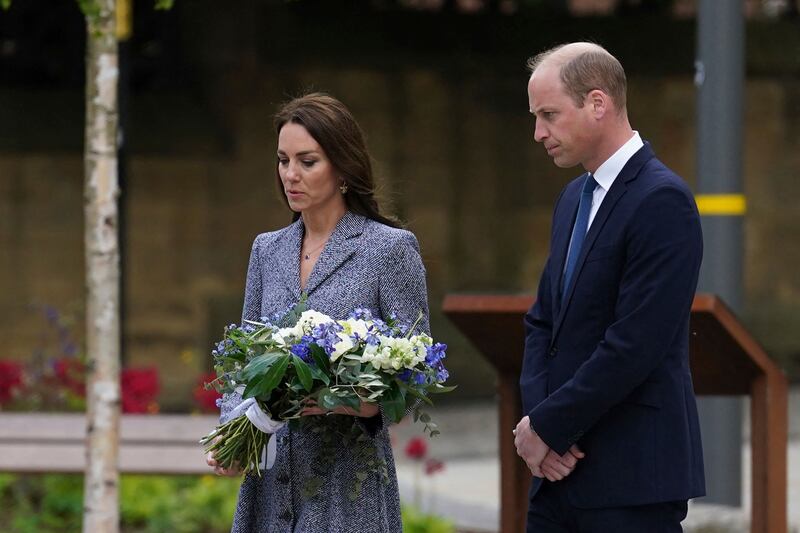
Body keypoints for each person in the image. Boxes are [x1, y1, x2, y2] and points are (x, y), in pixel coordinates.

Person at [206, 92, 430, 532]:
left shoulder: (389, 249)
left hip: (348, 485)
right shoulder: (266, 250)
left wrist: (352, 402)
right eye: (283, 160)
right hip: (271, 480)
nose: (291, 174)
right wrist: (234, 433)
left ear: (343, 167)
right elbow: (243, 365)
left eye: (307, 162)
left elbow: (415, 377)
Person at [514, 42, 705, 532]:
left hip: (631, 477)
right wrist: (538, 423)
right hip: (555, 477)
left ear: (597, 103)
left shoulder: (663, 200)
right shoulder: (573, 197)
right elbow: (543, 322)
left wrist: (549, 427)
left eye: (549, 115)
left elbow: (635, 344)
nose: (538, 133)